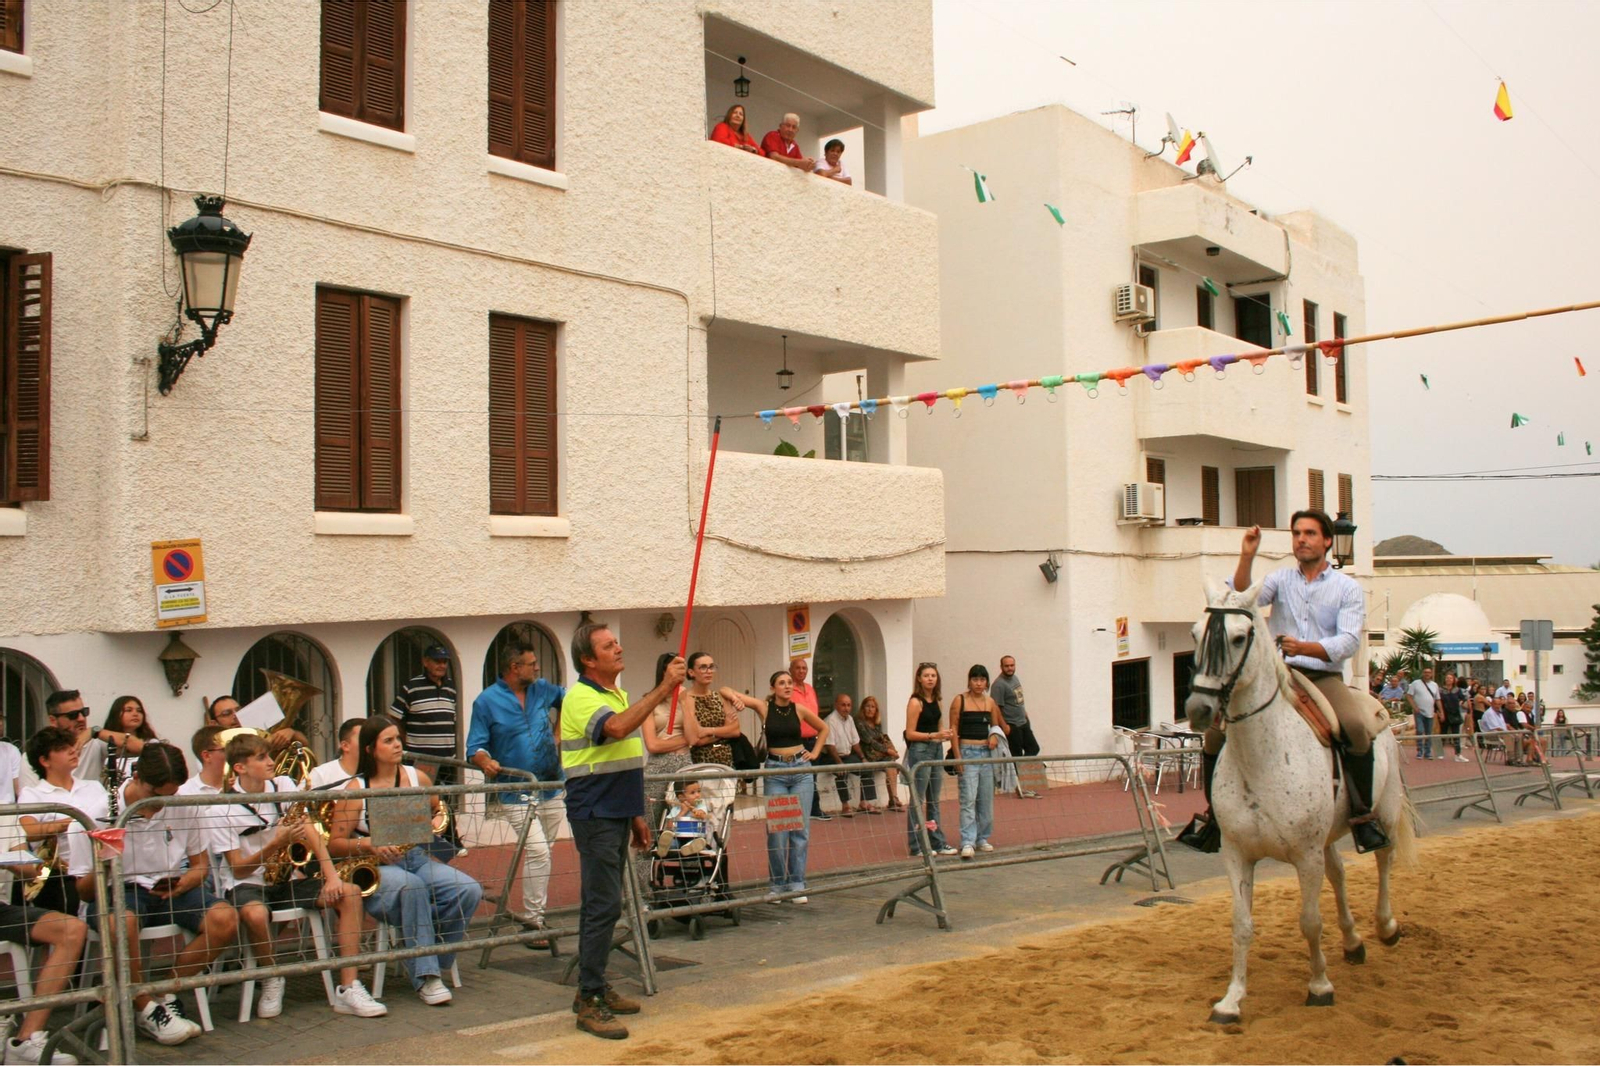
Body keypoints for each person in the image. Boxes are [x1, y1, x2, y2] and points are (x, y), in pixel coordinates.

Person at [1179, 513, 1391, 854]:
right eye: (1296, 534)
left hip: (1323, 677)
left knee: (1354, 727)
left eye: (1309, 533)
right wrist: (1247, 556)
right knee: (1215, 732)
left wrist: (1307, 648)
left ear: (1327, 541)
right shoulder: (1279, 580)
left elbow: (1350, 640)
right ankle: (1215, 817)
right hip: (1280, 674)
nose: (1301, 540)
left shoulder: (1347, 588)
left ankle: (1363, 817)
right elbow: (1239, 598)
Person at [559, 623, 685, 1040]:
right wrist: (664, 689)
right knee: (601, 907)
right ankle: (589, 996)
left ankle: (594, 987)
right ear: (588, 660)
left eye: (617, 641)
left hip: (614, 810)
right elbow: (614, 730)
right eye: (609, 645)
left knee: (607, 906)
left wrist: (635, 815)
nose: (619, 647)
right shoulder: (581, 697)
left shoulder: (615, 694)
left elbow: (624, 757)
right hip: (594, 812)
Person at [213, 732, 386, 1019]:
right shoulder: (222, 806)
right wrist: (274, 845)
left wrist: (332, 876)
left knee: (350, 893)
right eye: (261, 758)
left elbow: (311, 832)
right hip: (247, 883)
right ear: (240, 768)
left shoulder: (282, 784)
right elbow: (238, 868)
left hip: (287, 880)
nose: (271, 762)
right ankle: (271, 976)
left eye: (269, 755)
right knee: (256, 915)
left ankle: (349, 988)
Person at [329, 719, 482, 1007]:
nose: (397, 744)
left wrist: (436, 820)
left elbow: (439, 809)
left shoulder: (416, 778)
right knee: (412, 888)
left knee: (468, 889)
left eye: (398, 738)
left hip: (417, 857)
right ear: (371, 749)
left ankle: (428, 957)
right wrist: (369, 843)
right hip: (377, 866)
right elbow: (335, 843)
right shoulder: (355, 787)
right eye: (388, 741)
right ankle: (426, 977)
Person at [116, 743, 239, 1045]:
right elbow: (85, 886)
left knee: (225, 919)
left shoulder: (184, 803)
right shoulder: (108, 804)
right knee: (122, 922)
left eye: (170, 795)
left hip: (171, 885)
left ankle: (162, 991)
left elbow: (200, 867)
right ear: (137, 777)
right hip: (124, 888)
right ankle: (144, 1006)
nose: (163, 803)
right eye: (156, 795)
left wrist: (182, 883)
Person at [467, 645, 565, 934]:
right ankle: (534, 921)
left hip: (551, 785)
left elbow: (570, 701)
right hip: (515, 791)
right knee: (538, 851)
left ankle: (534, 912)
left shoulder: (543, 689)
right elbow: (475, 747)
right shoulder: (486, 701)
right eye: (531, 664)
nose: (537, 668)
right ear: (514, 668)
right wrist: (485, 761)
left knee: (543, 851)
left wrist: (559, 732)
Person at [0, 808, 87, 1065]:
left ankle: (26, 1040)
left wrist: (14, 862)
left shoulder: (4, 814)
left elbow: (36, 873)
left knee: (72, 929)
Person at [17, 728, 109, 920]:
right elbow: (29, 830)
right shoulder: (33, 794)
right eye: (62, 748)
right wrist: (73, 822)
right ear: (44, 761)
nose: (72, 751)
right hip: (58, 874)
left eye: (71, 746)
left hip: (99, 863)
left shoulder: (94, 787)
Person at [755, 670, 828, 903]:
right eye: (781, 683)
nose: (787, 686)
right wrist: (735, 699)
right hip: (776, 772)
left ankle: (797, 882)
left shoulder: (799, 709)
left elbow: (823, 728)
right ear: (772, 687)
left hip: (800, 771)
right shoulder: (764, 708)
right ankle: (777, 884)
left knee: (800, 829)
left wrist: (814, 753)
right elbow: (728, 691)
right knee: (778, 831)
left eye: (789, 683)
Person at [949, 666, 1004, 859]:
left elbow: (996, 725)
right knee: (968, 799)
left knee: (986, 800)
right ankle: (967, 840)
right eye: (975, 679)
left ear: (987, 682)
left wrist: (994, 737)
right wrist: (958, 757)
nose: (979, 683)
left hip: (986, 754)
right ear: (969, 681)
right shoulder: (960, 700)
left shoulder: (990, 702)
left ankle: (982, 837)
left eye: (982, 679)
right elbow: (953, 729)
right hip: (967, 751)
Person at [903, 663, 957, 858]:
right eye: (926, 675)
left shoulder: (937, 700)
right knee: (918, 799)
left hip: (935, 749)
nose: (930, 679)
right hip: (920, 750)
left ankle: (937, 840)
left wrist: (945, 736)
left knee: (934, 799)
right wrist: (933, 735)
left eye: (933, 675)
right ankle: (916, 844)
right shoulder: (915, 702)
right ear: (919, 678)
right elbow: (910, 733)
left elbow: (940, 727)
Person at [388, 644, 460, 790]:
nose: (441, 665)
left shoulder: (451, 687)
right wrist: (404, 741)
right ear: (426, 662)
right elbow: (393, 718)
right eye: (437, 661)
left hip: (447, 760)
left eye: (444, 661)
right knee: (423, 800)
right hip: (422, 760)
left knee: (445, 803)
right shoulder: (412, 687)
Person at [683, 652, 751, 770]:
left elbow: (735, 731)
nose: (709, 671)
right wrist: (723, 732)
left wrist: (708, 731)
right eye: (703, 667)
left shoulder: (719, 697)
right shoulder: (687, 699)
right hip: (701, 761)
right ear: (691, 672)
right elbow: (697, 739)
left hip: (727, 759)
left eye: (711, 667)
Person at [817, 694, 877, 815]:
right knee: (842, 772)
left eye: (849, 705)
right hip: (831, 756)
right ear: (836, 705)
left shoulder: (849, 719)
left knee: (867, 769)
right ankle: (845, 806)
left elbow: (855, 742)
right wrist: (839, 763)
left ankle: (863, 803)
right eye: (843, 705)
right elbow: (830, 746)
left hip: (847, 755)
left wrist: (863, 758)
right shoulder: (830, 720)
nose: (846, 708)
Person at [787, 658, 829, 820]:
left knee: (812, 776)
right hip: (796, 741)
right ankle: (800, 810)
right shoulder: (788, 690)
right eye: (798, 668)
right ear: (791, 670)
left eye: (804, 668)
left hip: (813, 740)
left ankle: (813, 809)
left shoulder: (810, 689)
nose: (801, 671)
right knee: (797, 777)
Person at [42, 692, 106, 783]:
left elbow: (132, 747)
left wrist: (95, 731)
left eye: (84, 712)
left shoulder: (95, 741)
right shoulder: (37, 753)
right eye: (72, 715)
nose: (81, 719)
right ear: (53, 720)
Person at [853, 696, 903, 811]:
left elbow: (881, 738)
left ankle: (893, 799)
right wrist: (887, 750)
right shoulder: (859, 722)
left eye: (873, 707)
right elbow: (868, 740)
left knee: (891, 764)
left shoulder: (876, 723)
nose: (870, 709)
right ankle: (892, 800)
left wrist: (891, 750)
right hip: (866, 753)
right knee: (890, 760)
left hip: (878, 754)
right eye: (867, 706)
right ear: (863, 708)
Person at [990, 656, 1038, 760]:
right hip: (1012, 725)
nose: (1010, 668)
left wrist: (1024, 712)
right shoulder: (998, 685)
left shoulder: (1015, 678)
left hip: (1023, 722)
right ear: (1001, 667)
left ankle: (1024, 773)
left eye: (1012, 665)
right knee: (1016, 755)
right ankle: (1017, 775)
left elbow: (1017, 698)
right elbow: (996, 708)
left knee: (1034, 748)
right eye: (1006, 666)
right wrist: (1004, 726)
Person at [101, 696, 160, 780]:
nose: (135, 714)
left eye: (139, 711)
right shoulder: (103, 744)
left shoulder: (151, 742)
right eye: (129, 710)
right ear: (116, 714)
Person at [656, 780, 716, 858]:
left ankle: (689, 848)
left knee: (698, 843)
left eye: (699, 791)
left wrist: (698, 813)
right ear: (681, 797)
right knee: (673, 844)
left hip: (695, 837)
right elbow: (669, 826)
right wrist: (682, 812)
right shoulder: (676, 809)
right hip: (677, 837)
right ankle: (663, 848)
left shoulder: (700, 806)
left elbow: (703, 815)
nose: (697, 795)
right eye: (693, 793)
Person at [309, 718, 366, 789]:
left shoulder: (379, 775)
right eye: (363, 739)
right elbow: (298, 799)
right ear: (345, 746)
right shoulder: (321, 774)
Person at [1406, 667, 1441, 761]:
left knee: (1429, 733)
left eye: (1429, 672)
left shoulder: (1434, 685)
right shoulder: (1416, 683)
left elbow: (1438, 699)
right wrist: (1414, 707)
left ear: (1431, 674)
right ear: (1423, 673)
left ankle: (1428, 752)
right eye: (1425, 672)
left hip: (1430, 712)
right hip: (1419, 712)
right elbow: (1409, 696)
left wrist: (1441, 712)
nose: (1427, 674)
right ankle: (1420, 751)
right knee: (1420, 731)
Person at [1440, 673, 1468, 762]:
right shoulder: (1441, 690)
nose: (1448, 680)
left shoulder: (1457, 690)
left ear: (1453, 680)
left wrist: (1461, 702)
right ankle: (1440, 753)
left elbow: (1464, 698)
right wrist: (1439, 712)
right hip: (1445, 714)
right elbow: (1437, 701)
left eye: (1450, 678)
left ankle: (1458, 754)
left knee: (1456, 735)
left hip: (1455, 715)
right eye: (1447, 678)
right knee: (1442, 734)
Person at [0, 725, 20, 806]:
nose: (0, 723)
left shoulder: (11, 750)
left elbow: (20, 791)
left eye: (1, 718)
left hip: (7, 812)